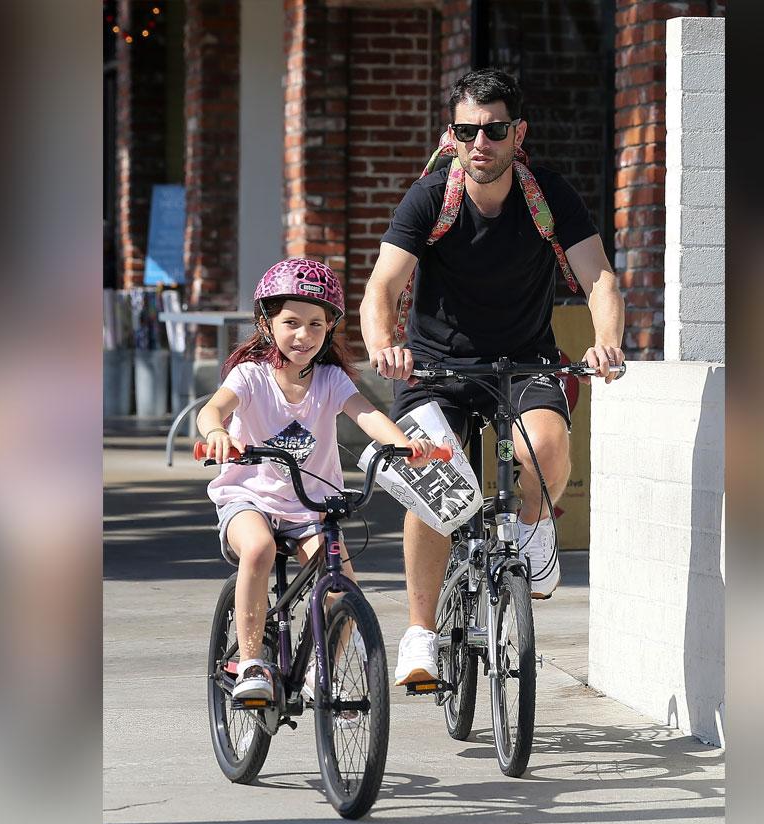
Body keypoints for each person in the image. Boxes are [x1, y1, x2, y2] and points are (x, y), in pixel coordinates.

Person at [358, 68, 625, 687]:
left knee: (549, 449)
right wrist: (384, 345)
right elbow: (383, 285)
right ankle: (421, 632)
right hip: (435, 369)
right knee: (433, 479)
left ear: (517, 133)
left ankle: (533, 530)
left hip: (523, 360)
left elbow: (599, 280)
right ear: (451, 136)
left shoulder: (549, 195)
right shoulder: (429, 198)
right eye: (467, 130)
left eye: (494, 130)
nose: (481, 142)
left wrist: (606, 342)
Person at [196, 258, 438, 705]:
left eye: (316, 324)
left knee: (343, 587)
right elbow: (213, 410)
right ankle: (251, 662)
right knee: (259, 548)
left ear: (329, 330)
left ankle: (318, 671)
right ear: (266, 323)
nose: (303, 335)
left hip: (310, 506)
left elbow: (367, 416)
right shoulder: (250, 376)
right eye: (290, 322)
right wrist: (214, 432)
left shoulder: (330, 380)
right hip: (248, 496)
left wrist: (406, 446)